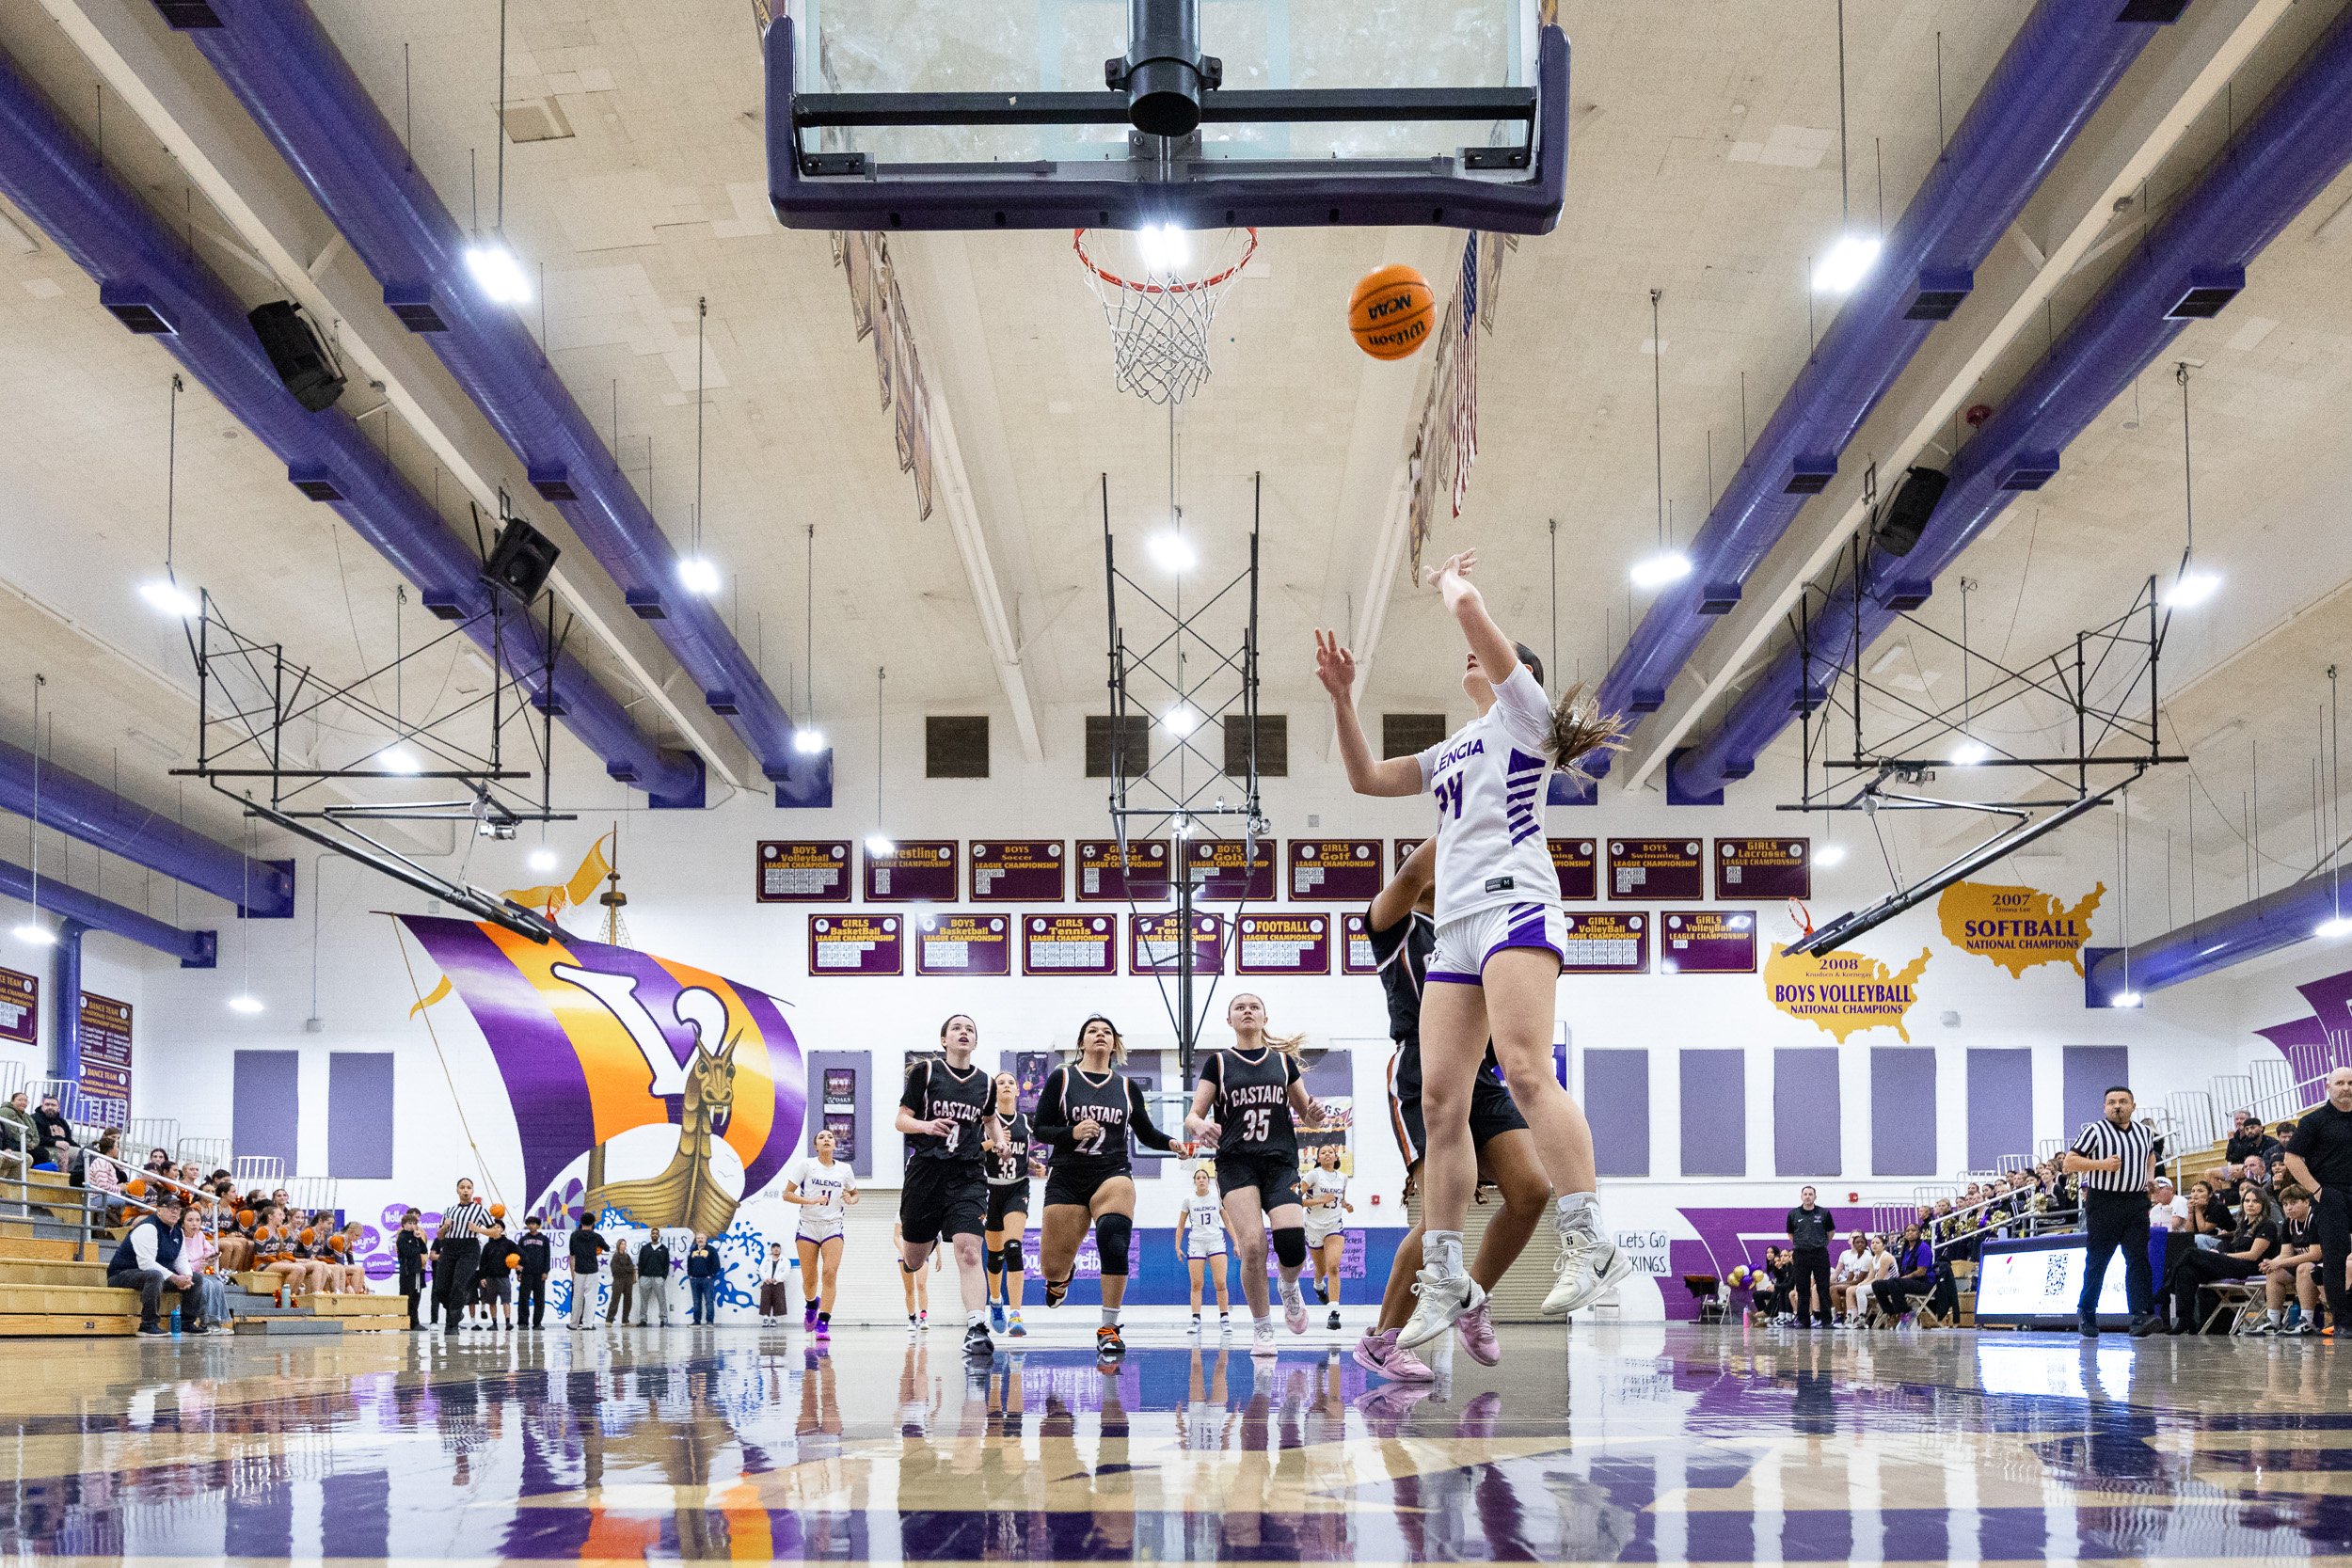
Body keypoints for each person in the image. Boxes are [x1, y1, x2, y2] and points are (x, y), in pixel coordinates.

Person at [1316, 553, 1629, 1356]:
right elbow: (1367, 779)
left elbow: (1476, 623)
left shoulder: (1525, 718)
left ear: (1520, 675)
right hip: (1455, 924)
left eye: (1492, 651)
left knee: (1524, 1069)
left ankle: (1591, 1239)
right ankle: (1447, 1274)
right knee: (1440, 1104)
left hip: (1515, 902)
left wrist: (1452, 588)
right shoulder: (1455, 747)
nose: (1473, 652)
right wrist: (1344, 700)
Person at [1355, 839, 1550, 1384]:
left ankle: (1471, 1298)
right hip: (1423, 1070)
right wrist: (1469, 816)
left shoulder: (1480, 933)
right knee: (1442, 1214)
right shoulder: (1397, 925)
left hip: (1481, 1073)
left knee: (1532, 1189)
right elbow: (1409, 876)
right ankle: (1382, 1339)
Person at [1034, 1012, 1184, 1360]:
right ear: (1082, 1042)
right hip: (1067, 1176)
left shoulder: (1127, 1088)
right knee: (1052, 1268)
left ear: (1115, 1044)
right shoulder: (1063, 1078)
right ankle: (1061, 1278)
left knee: (1114, 1239)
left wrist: (1171, 1143)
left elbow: (1146, 1132)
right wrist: (1070, 1132)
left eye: (1106, 1031)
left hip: (1112, 1172)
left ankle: (1109, 1327)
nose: (1100, 1034)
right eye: (1092, 1031)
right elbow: (1040, 1128)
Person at [1186, 993, 1325, 1357]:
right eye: (1239, 1007)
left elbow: (1306, 1114)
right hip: (1237, 1163)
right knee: (1252, 1246)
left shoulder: (1282, 1062)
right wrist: (1199, 1126)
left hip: (1279, 1162)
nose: (1247, 1011)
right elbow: (1193, 1116)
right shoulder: (1218, 1063)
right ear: (1229, 1020)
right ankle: (1263, 1328)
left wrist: (1315, 1115)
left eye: (1254, 1007)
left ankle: (1289, 1286)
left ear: (1265, 1017)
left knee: (1292, 1245)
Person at [894, 1014, 999, 1359]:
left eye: (970, 1029)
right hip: (926, 1172)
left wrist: (999, 1141)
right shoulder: (925, 1073)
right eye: (957, 1028)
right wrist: (926, 1126)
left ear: (975, 1041)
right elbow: (901, 1120)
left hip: (967, 1174)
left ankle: (977, 1326)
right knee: (913, 1260)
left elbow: (990, 1120)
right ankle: (930, 1236)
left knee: (969, 1250)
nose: (964, 1032)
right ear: (944, 1040)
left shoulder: (986, 1083)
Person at [2061, 1085, 2159, 1338]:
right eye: (2112, 1102)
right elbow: (2069, 1162)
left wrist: (2150, 1178)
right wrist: (2102, 1164)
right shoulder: (2094, 1131)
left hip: (2136, 1201)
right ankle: (2087, 1311)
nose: (2117, 1106)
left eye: (2123, 1102)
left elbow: (2150, 1156)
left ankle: (2140, 1315)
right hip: (2104, 1202)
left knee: (2138, 1258)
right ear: (2104, 1107)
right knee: (2098, 1259)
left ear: (2133, 1106)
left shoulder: (2145, 1132)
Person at [2283, 1067, 2352, 1339]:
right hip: (2331, 1194)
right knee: (2335, 1258)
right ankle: (2343, 1321)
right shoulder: (2314, 1121)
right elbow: (2291, 1158)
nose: (2346, 1088)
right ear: (2328, 1087)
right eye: (2340, 1083)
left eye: (2350, 1083)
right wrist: (2317, 1190)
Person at [2163, 1189, 2277, 1334]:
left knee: (2191, 1252)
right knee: (2187, 1271)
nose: (2250, 1204)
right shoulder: (2243, 1225)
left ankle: (2165, 1289)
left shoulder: (2267, 1225)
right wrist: (2219, 1252)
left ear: (2263, 1204)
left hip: (2252, 1267)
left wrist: (2224, 1256)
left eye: (2256, 1201)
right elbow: (2232, 1246)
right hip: (2235, 1264)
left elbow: (2253, 1255)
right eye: (2247, 1201)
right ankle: (2185, 1319)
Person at [783, 1128, 856, 1340]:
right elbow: (786, 1194)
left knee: (830, 1273)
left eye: (830, 1137)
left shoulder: (844, 1169)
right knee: (810, 1279)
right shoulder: (806, 1165)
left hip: (833, 1225)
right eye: (821, 1137)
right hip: (808, 1225)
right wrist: (811, 1201)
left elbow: (855, 1194)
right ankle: (811, 1303)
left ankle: (823, 1322)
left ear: (835, 1144)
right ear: (816, 1145)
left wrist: (851, 1199)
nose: (826, 1139)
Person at [980, 1072, 1033, 1337]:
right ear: (994, 1091)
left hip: (1016, 1188)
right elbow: (972, 1151)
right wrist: (994, 1142)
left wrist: (1034, 1164)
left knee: (1013, 1247)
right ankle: (995, 1301)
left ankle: (1016, 1313)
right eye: (1001, 1083)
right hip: (990, 1190)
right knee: (995, 1255)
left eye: (1011, 1082)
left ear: (1018, 1091)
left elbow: (1023, 1153)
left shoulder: (1025, 1121)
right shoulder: (986, 1121)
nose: (1006, 1086)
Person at [107, 1194, 196, 1336]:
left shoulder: (178, 1231)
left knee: (196, 1279)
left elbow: (181, 1259)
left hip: (155, 1275)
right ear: (159, 1210)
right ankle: (148, 1325)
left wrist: (187, 1276)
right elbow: (146, 1264)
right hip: (122, 1274)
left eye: (178, 1208)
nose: (175, 1211)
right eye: (170, 1208)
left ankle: (187, 1324)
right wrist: (175, 1278)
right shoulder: (148, 1227)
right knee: (154, 1275)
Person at [2254, 1184, 2322, 1336]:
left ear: (2306, 1202)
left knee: (2304, 1268)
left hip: (2324, 1263)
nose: (2289, 1208)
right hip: (2305, 1264)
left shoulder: (2315, 1218)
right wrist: (2271, 1263)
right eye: (2285, 1204)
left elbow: (2315, 1254)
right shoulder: (2289, 1223)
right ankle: (2273, 1321)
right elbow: (2286, 1254)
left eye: (2293, 1203)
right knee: (2274, 1272)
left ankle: (2307, 1321)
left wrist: (2279, 1262)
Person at [430, 1179, 491, 1333]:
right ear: (457, 1190)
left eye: (469, 1187)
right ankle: (456, 1313)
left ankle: (452, 1325)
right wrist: (444, 1227)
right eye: (462, 1187)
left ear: (472, 1191)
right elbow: (440, 1236)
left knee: (458, 1285)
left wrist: (478, 1229)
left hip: (469, 1248)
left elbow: (496, 1232)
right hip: (449, 1247)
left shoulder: (480, 1210)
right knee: (440, 1289)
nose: (465, 1190)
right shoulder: (449, 1210)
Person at [1177, 1163, 1232, 1333]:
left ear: (1208, 1181)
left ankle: (1224, 1318)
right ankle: (1195, 1320)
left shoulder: (1217, 1198)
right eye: (1198, 1178)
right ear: (1194, 1181)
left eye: (1204, 1177)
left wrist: (1237, 1243)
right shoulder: (1189, 1200)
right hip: (1197, 1242)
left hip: (1215, 1241)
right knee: (1196, 1283)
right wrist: (1177, 1246)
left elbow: (1227, 1221)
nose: (1201, 1180)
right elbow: (1180, 1225)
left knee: (1220, 1282)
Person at [1302, 1144, 1352, 1331]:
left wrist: (1346, 1205)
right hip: (1313, 1227)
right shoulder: (1313, 1175)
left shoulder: (1343, 1178)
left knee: (1333, 1267)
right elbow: (1295, 1198)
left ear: (1336, 1157)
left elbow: (1339, 1199)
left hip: (1334, 1226)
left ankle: (1334, 1313)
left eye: (1330, 1152)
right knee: (1321, 1269)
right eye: (1323, 1152)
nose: (1327, 1154)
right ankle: (1318, 1285)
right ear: (1318, 1158)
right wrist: (1320, 1200)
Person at [1784, 1186, 1836, 1329]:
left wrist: (1821, 1243)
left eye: (1810, 1194)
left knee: (1823, 1287)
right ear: (1801, 1197)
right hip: (1801, 1254)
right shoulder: (1793, 1214)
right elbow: (1791, 1234)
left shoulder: (1824, 1213)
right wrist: (1802, 1244)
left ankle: (1826, 1321)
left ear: (1815, 1197)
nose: (1808, 1196)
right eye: (1805, 1194)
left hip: (1820, 1253)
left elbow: (1831, 1232)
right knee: (1802, 1288)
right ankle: (1803, 1320)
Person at [178, 1207, 232, 1335]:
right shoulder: (178, 1236)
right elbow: (179, 1263)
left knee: (218, 1284)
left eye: (198, 1220)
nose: (194, 1223)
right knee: (207, 1284)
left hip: (198, 1271)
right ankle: (207, 1322)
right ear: (182, 1223)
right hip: (183, 1273)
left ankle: (218, 1323)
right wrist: (198, 1264)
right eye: (190, 1220)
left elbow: (210, 1250)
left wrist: (209, 1258)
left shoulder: (200, 1235)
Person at [1868, 1226, 1935, 1325]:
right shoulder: (1906, 1248)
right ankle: (1891, 1313)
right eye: (1907, 1231)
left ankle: (1905, 1313)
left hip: (1924, 1282)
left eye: (1913, 1230)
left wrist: (1904, 1278)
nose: (1910, 1232)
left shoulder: (1924, 1247)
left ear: (1919, 1233)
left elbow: (1921, 1272)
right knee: (1877, 1285)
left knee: (1894, 1282)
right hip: (1908, 1281)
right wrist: (1902, 1278)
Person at [565, 1213, 608, 1329]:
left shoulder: (574, 1235)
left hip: (579, 1269)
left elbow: (572, 1254)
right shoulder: (596, 1236)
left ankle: (573, 1323)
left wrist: (572, 1271)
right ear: (593, 1223)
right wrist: (597, 1248)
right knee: (591, 1298)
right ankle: (587, 1324)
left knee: (577, 1298)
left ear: (581, 1222)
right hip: (592, 1269)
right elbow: (607, 1247)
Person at [893, 1219, 937, 1326]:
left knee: (921, 1285)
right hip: (904, 1256)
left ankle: (923, 1317)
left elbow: (934, 1236)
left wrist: (939, 1256)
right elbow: (896, 1237)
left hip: (921, 1253)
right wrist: (904, 1252)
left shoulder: (924, 1212)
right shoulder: (900, 1214)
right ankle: (912, 1318)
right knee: (909, 1289)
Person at [477, 1220, 518, 1329]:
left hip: (503, 1276)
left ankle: (508, 1322)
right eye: (494, 1227)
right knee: (491, 1302)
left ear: (502, 1230)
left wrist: (519, 1269)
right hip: (490, 1277)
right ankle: (494, 1323)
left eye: (498, 1227)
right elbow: (482, 1263)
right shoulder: (487, 1245)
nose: (496, 1229)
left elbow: (518, 1255)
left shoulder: (509, 1243)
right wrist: (482, 1277)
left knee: (506, 1301)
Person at [516, 1214, 553, 1329]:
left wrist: (546, 1271)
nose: (531, 1226)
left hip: (539, 1274)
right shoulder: (523, 1239)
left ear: (538, 1225)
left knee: (539, 1299)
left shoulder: (544, 1239)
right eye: (529, 1224)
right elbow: (518, 1257)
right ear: (527, 1226)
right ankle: (523, 1323)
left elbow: (547, 1256)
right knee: (523, 1298)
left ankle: (537, 1323)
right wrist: (518, 1272)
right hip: (526, 1273)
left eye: (534, 1224)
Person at [1830, 1230, 1872, 1326]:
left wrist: (1836, 1284)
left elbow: (1859, 1280)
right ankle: (1839, 1315)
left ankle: (1848, 1317)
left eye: (1862, 1242)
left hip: (1865, 1283)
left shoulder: (1867, 1257)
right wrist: (1836, 1283)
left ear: (1866, 1244)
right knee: (1832, 1288)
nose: (1860, 1244)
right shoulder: (1854, 1258)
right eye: (1857, 1242)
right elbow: (1850, 1278)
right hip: (1855, 1283)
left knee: (1841, 1289)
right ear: (1853, 1244)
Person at [395, 1209, 428, 1329]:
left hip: (417, 1270)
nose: (412, 1225)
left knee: (416, 1296)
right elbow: (409, 1252)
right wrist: (417, 1249)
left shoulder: (416, 1236)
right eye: (409, 1223)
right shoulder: (402, 1237)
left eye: (414, 1223)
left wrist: (419, 1239)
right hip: (407, 1270)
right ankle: (405, 1322)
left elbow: (424, 1250)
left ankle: (414, 1322)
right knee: (406, 1296)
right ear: (404, 1224)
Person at [634, 1232, 673, 1326]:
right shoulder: (645, 1248)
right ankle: (643, 1320)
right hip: (645, 1278)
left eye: (656, 1233)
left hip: (658, 1278)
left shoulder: (664, 1249)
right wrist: (641, 1277)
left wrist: (663, 1277)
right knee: (643, 1300)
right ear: (651, 1235)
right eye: (653, 1233)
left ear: (658, 1236)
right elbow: (640, 1263)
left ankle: (663, 1319)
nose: (655, 1235)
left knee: (662, 1299)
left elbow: (666, 1264)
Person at [28, 1095, 72, 1170]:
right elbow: (37, 1138)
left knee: (81, 1153)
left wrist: (82, 1149)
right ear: (42, 1106)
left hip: (63, 1146)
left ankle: (74, 1176)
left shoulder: (62, 1122)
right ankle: (62, 1176)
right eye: (47, 1104)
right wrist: (55, 1143)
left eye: (53, 1105)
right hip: (44, 1147)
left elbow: (69, 1140)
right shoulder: (35, 1118)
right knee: (63, 1152)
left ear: (58, 1108)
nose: (50, 1107)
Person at [684, 1231, 720, 1324]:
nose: (700, 1240)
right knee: (696, 1301)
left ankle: (710, 1321)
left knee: (709, 1301)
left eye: (702, 1238)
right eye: (698, 1238)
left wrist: (711, 1275)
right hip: (694, 1280)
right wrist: (690, 1275)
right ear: (696, 1240)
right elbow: (689, 1264)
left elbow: (716, 1264)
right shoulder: (693, 1250)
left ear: (706, 1239)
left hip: (707, 1280)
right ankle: (697, 1321)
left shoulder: (711, 1250)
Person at [2185, 1180, 2230, 1251]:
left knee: (2198, 1238)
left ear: (2210, 1194)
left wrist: (2198, 1210)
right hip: (2206, 1240)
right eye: (2193, 1191)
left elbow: (2203, 1230)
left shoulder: (2218, 1207)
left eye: (2200, 1191)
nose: (2195, 1194)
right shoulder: (2194, 1206)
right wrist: (2190, 1212)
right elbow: (2189, 1233)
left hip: (2225, 1240)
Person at [757, 1241, 792, 1327]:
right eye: (774, 1248)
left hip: (778, 1283)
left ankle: (774, 1319)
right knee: (765, 1300)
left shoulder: (785, 1260)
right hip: (767, 1283)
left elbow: (786, 1272)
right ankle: (765, 1319)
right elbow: (761, 1269)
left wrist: (777, 1279)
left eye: (777, 1248)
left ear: (780, 1249)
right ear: (771, 1249)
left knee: (778, 1301)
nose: (776, 1249)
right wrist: (766, 1279)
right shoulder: (766, 1259)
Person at [607, 1231, 636, 1324]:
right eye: (622, 1244)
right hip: (618, 1281)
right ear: (618, 1245)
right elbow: (616, 1269)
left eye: (624, 1244)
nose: (623, 1245)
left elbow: (632, 1267)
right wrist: (627, 1269)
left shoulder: (627, 1256)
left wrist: (626, 1269)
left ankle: (625, 1320)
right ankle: (609, 1320)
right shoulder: (615, 1257)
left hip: (628, 1281)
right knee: (615, 1301)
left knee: (628, 1301)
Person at [0, 1090, 30, 1175]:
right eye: (20, 1100)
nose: (23, 1103)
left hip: (3, 1152)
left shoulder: (26, 1117)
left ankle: (8, 1183)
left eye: (25, 1101)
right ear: (12, 1101)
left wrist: (7, 1148)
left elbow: (6, 1137)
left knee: (27, 1158)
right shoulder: (5, 1112)